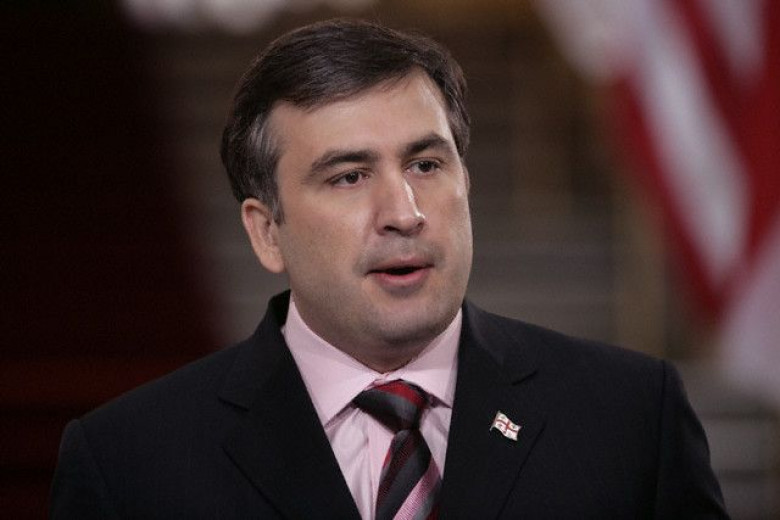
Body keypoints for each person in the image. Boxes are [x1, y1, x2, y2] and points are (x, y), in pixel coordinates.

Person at [50, 19, 729, 519]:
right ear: (266, 232)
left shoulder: (632, 418)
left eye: (426, 165)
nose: (404, 212)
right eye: (348, 176)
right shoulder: (128, 463)